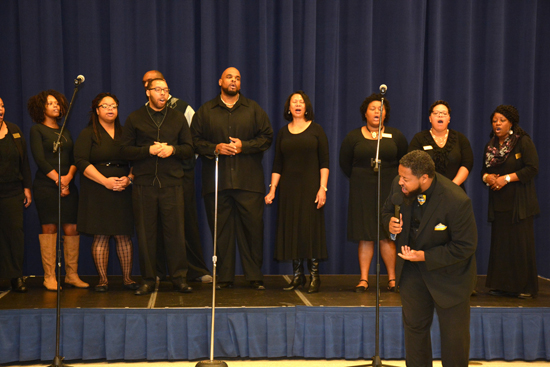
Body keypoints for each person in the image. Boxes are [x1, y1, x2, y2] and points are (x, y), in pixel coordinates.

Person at [382, 150, 477, 367]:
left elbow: (466, 246)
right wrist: (389, 225)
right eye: (400, 177)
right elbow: (386, 211)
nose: (400, 182)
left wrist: (424, 256)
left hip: (450, 278)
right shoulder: (400, 184)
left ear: (424, 178)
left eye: (406, 179)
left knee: (454, 340)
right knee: (415, 332)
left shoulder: (456, 200)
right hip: (412, 275)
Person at [191, 67, 273, 290]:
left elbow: (267, 137)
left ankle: (254, 276)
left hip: (249, 182)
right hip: (217, 183)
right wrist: (214, 148)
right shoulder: (206, 111)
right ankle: (224, 278)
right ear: (220, 81)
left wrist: (243, 146)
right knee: (221, 231)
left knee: (253, 230)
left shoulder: (253, 109)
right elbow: (194, 141)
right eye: (229, 77)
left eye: (237, 77)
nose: (234, 81)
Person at [120, 78, 195, 295]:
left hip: (172, 184)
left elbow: (189, 148)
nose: (162, 94)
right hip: (144, 185)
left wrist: (172, 150)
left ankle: (179, 278)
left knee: (176, 234)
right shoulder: (135, 118)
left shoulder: (178, 118)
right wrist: (147, 151)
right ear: (148, 92)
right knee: (146, 234)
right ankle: (148, 279)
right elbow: (124, 150)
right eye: (158, 90)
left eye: (166, 90)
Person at [142, 70, 212, 284]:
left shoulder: (183, 109)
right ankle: (158, 272)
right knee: (156, 225)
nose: (156, 90)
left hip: (182, 175)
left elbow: (194, 142)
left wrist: (177, 156)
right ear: (147, 91)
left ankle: (194, 270)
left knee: (185, 223)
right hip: (153, 179)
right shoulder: (141, 114)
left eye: (161, 86)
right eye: (148, 84)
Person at [339, 93, 407, 292]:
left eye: (381, 109)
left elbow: (404, 160)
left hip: (389, 189)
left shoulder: (395, 135)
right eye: (373, 108)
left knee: (387, 235)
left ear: (386, 114)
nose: (377, 112)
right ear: (365, 113)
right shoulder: (353, 136)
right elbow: (345, 163)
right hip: (362, 190)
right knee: (365, 235)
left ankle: (393, 279)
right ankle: (363, 279)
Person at [265, 91, 329, 293]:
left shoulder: (317, 130)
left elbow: (324, 163)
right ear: (289, 108)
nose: (298, 105)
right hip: (289, 190)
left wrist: (323, 188)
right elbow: (277, 164)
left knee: (310, 230)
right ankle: (297, 276)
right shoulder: (283, 132)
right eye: (294, 102)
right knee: (292, 231)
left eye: (301, 102)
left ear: (307, 107)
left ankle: (314, 277)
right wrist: (273, 189)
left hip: (311, 188)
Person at [74, 93, 138, 292]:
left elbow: (137, 158)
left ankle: (127, 279)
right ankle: (102, 280)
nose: (110, 109)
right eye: (105, 106)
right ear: (97, 110)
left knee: (123, 235)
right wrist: (105, 182)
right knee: (101, 235)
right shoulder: (88, 133)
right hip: (97, 189)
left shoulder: (126, 132)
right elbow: (81, 161)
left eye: (114, 106)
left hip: (123, 187)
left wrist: (129, 179)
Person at [28, 90, 89, 290]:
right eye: (51, 103)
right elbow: (40, 160)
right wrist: (58, 181)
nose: (56, 106)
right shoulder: (36, 130)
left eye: (58, 103)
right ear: (41, 108)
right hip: (46, 186)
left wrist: (68, 178)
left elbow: (74, 159)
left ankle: (71, 275)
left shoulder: (66, 132)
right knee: (50, 228)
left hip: (68, 184)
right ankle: (49, 277)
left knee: (71, 228)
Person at [481, 105, 539, 299]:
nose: (497, 124)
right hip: (499, 203)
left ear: (511, 123)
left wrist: (505, 179)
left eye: (502, 120)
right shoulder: (490, 146)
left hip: (519, 203)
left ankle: (523, 286)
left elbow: (532, 168)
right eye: (495, 120)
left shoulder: (523, 142)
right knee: (501, 244)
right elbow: (484, 171)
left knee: (519, 244)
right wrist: (488, 178)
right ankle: (502, 285)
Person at [0, 98, 32, 292]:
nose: (0, 110)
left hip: (13, 191)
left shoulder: (14, 130)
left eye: (2, 106)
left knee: (15, 234)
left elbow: (24, 161)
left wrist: (26, 187)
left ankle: (16, 276)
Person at [408, 100, 474, 189]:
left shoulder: (460, 138)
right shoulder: (419, 138)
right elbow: (412, 163)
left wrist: (452, 186)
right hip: (426, 190)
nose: (440, 115)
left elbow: (467, 163)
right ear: (430, 118)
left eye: (444, 113)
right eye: (436, 113)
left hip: (454, 190)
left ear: (449, 119)